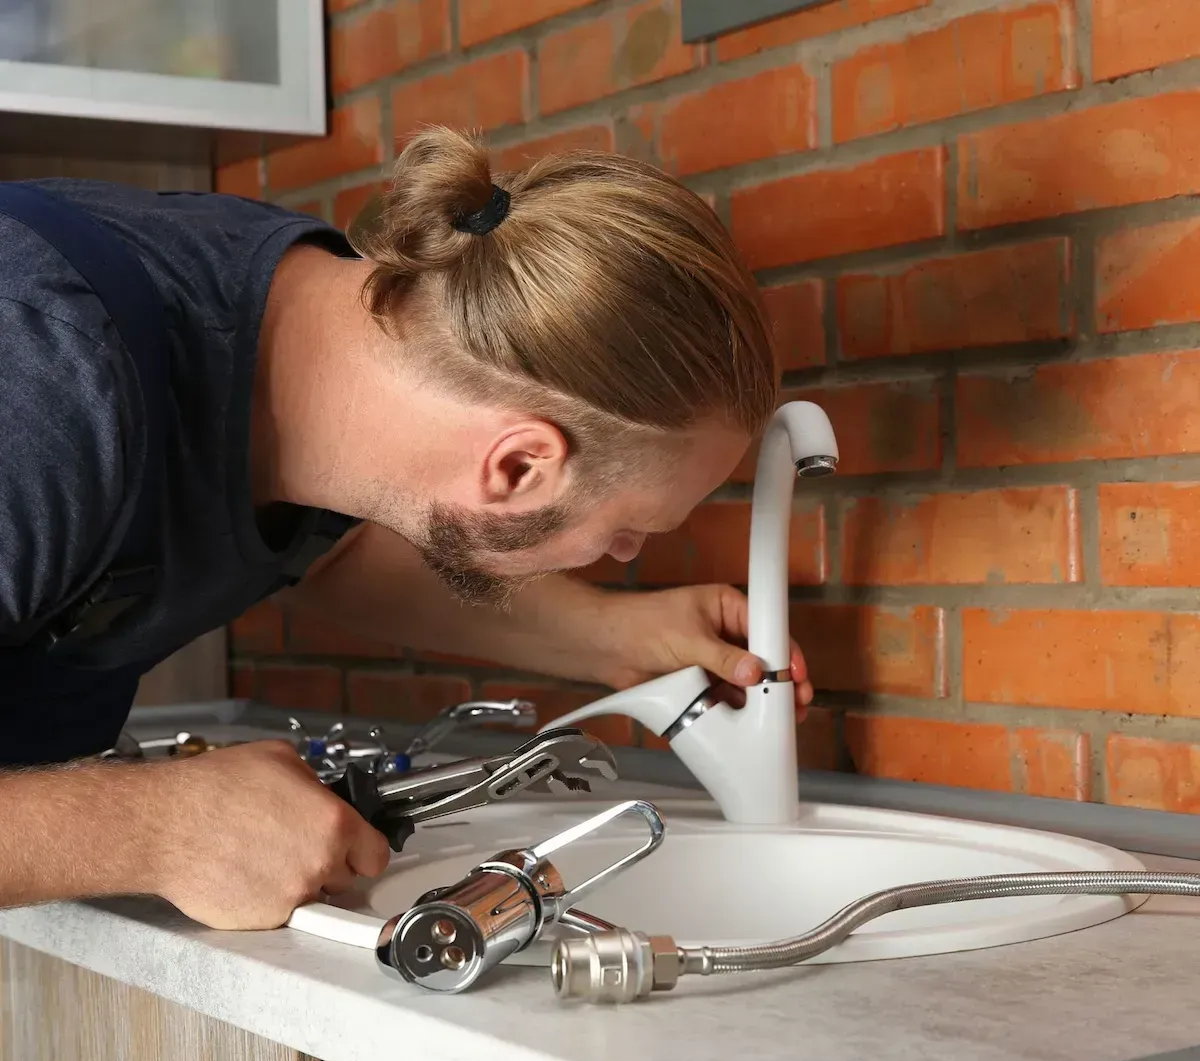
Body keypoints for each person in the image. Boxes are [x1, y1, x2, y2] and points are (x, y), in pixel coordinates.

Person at [0, 125, 812, 931]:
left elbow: (327, 548)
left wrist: (610, 635)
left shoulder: (317, 338)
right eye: (631, 529)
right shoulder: (42, 390)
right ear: (520, 467)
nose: (627, 553)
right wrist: (154, 831)